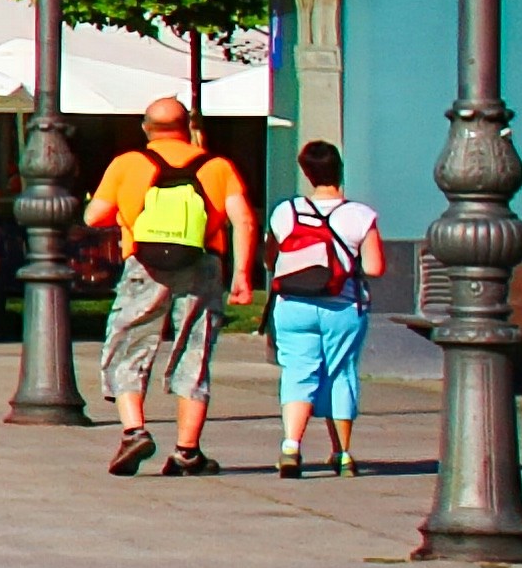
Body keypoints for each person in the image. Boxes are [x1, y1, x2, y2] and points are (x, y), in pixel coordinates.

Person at [90, 96, 258, 478]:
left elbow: (95, 215)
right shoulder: (217, 166)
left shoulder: (127, 164)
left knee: (129, 343)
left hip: (144, 265)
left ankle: (134, 431)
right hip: (202, 264)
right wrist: (242, 277)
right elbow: (243, 221)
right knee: (194, 350)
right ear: (187, 127)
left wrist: (128, 215)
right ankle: (187, 451)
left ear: (146, 128)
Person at [266, 139, 386, 481]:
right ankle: (343, 453)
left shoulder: (284, 211)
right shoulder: (361, 215)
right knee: (340, 373)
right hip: (343, 307)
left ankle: (291, 446)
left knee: (297, 372)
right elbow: (375, 268)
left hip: (292, 305)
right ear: (340, 170)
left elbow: (271, 258)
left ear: (306, 172)